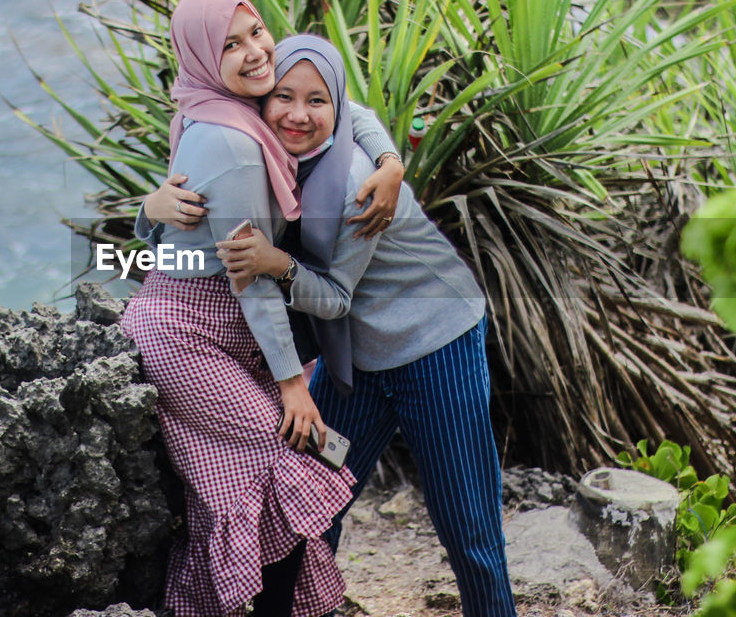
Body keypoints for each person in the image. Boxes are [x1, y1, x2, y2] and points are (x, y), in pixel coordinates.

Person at [211, 35, 518, 617]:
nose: (298, 115)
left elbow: (330, 299)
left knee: (466, 522)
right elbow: (360, 111)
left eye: (316, 102)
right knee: (310, 493)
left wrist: (278, 265)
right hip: (362, 356)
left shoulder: (354, 185)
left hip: (435, 341)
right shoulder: (267, 140)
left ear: (335, 105)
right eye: (284, 97)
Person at [119, 0, 401, 617]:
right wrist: (291, 385)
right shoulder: (235, 142)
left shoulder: (211, 109)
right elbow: (249, 278)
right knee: (293, 454)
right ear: (198, 56)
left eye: (256, 33)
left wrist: (389, 158)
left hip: (215, 329)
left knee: (256, 478)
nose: (255, 53)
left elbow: (344, 109)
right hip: (186, 335)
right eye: (230, 44)